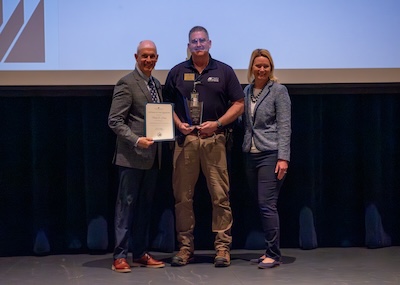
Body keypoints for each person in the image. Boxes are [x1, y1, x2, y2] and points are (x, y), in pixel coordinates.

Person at [163, 26, 244, 267]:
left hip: (214, 140)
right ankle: (185, 248)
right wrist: (179, 125)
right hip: (186, 142)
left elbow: (239, 103)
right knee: (183, 198)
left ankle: (222, 248)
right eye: (194, 42)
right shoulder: (177, 72)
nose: (198, 45)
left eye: (202, 41)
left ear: (210, 43)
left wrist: (217, 123)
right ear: (189, 46)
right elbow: (165, 106)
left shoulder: (224, 71)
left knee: (220, 197)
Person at [108, 40, 165, 273]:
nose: (148, 60)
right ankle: (119, 256)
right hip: (131, 157)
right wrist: (136, 139)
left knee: (145, 207)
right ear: (136, 57)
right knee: (126, 207)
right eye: (144, 56)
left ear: (157, 58)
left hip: (153, 157)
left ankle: (140, 253)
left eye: (152, 56)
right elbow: (114, 120)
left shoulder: (156, 84)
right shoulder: (126, 83)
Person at [242, 48, 291, 269]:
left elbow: (284, 126)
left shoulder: (278, 91)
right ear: (252, 67)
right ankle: (268, 251)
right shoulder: (246, 91)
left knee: (267, 205)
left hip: (271, 154)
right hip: (250, 154)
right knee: (262, 205)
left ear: (271, 68)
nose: (261, 69)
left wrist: (283, 158)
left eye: (266, 66)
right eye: (258, 65)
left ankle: (274, 253)